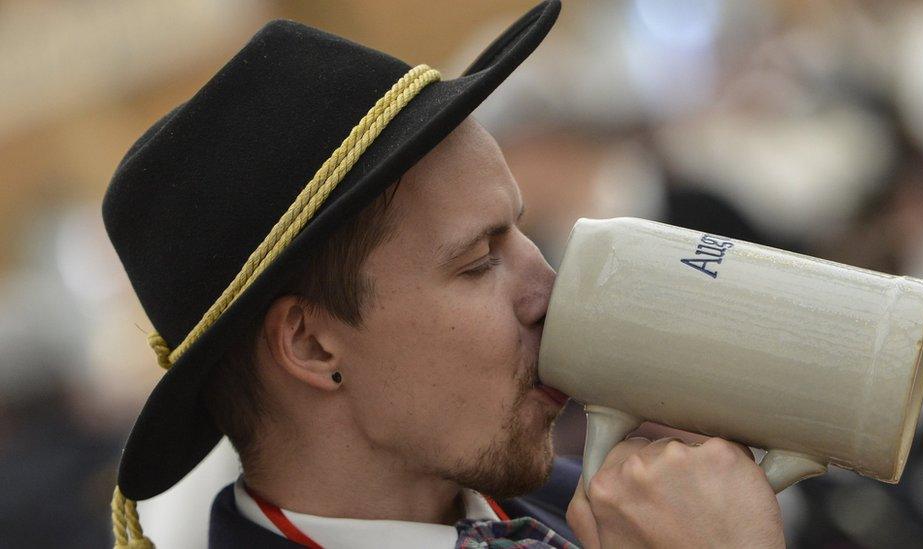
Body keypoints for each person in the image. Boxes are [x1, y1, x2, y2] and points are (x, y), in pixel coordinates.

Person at [102, 1, 785, 547]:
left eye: (524, 232)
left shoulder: (600, 509)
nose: (549, 291)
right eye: (479, 261)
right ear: (312, 345)